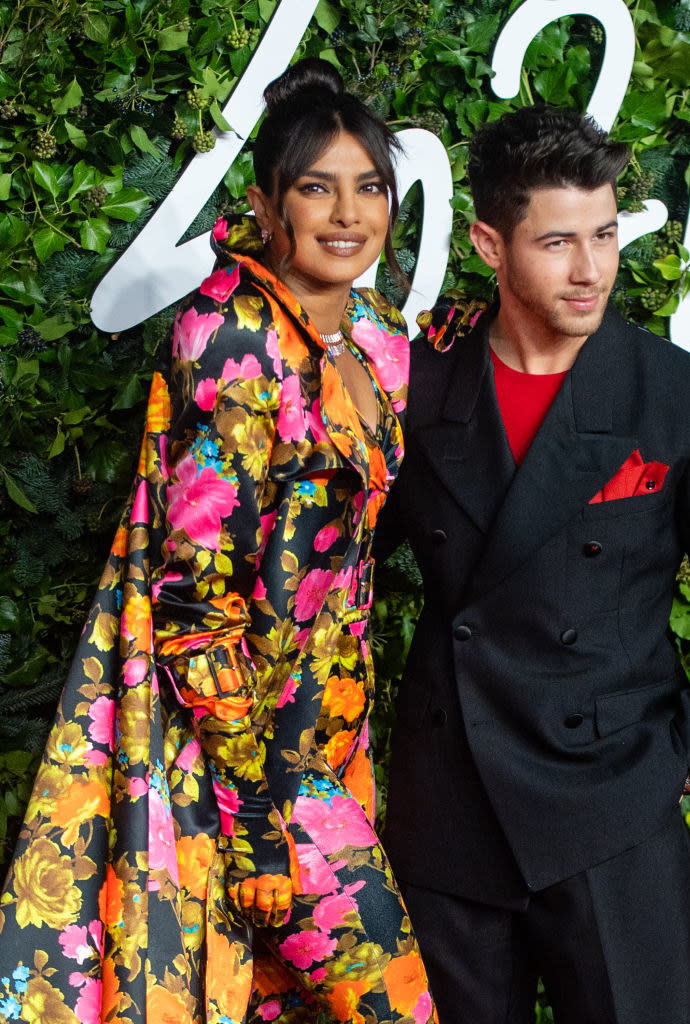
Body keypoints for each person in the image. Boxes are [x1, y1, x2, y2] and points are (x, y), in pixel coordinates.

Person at [0, 59, 437, 1024]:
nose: (347, 212)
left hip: (325, 728)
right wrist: (254, 822)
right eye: (316, 186)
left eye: (369, 186)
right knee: (392, 1005)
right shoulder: (234, 337)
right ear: (267, 202)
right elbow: (194, 600)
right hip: (233, 752)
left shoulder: (374, 335)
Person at [377, 105, 690, 1023]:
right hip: (448, 807)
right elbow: (337, 560)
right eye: (558, 241)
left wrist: (686, 757)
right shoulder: (414, 385)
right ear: (489, 243)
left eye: (604, 234)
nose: (591, 269)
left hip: (613, 801)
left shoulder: (684, 399)